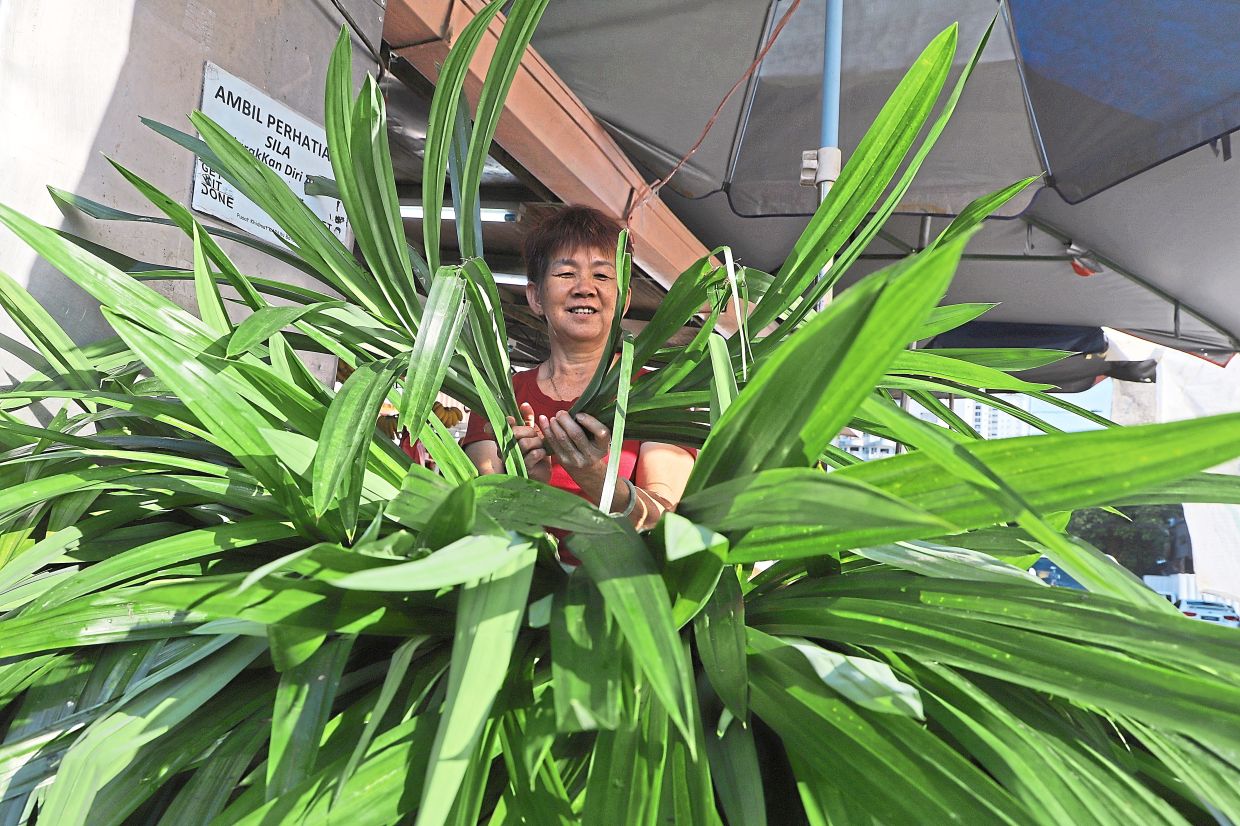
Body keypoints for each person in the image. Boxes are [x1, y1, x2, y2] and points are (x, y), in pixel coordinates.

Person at [461, 205, 695, 532]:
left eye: (601, 275)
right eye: (566, 273)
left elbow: (662, 521)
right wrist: (526, 486)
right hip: (519, 578)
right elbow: (474, 510)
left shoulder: (655, 395)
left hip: (617, 582)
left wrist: (592, 474)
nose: (585, 287)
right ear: (536, 296)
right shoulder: (500, 395)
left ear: (623, 300)